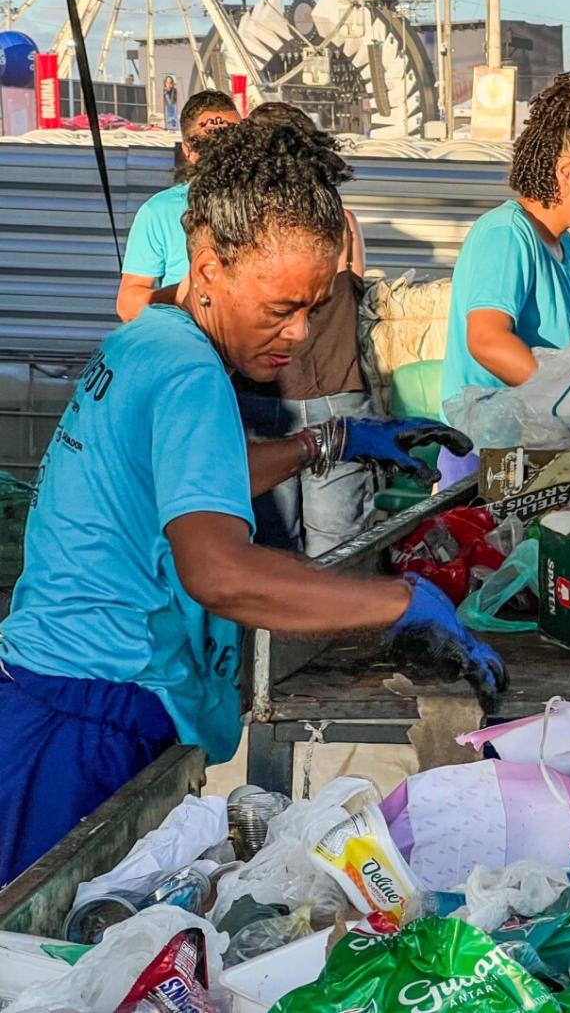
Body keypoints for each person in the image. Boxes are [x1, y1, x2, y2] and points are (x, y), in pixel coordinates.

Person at [0, 120, 501, 885]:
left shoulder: (145, 341)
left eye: (314, 307)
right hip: (90, 715)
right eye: (279, 307)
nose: (298, 335)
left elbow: (190, 479)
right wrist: (399, 600)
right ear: (208, 267)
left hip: (40, 688)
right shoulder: (191, 374)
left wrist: (330, 443)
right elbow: (216, 569)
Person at [439, 72, 570, 487]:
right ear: (566, 171)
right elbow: (487, 340)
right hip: (485, 456)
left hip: (534, 448)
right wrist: (567, 405)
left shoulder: (565, 248)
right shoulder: (506, 235)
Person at [232, 101, 376, 556]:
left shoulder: (243, 227)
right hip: (338, 395)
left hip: (263, 400)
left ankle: (276, 631)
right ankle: (332, 627)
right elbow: (355, 294)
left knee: (269, 550)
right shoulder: (343, 222)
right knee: (338, 548)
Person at [117, 89, 240, 321]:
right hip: (190, 345)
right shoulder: (159, 211)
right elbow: (127, 304)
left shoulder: (267, 202)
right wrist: (187, 295)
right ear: (188, 150)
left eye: (234, 142)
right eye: (209, 144)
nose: (223, 153)